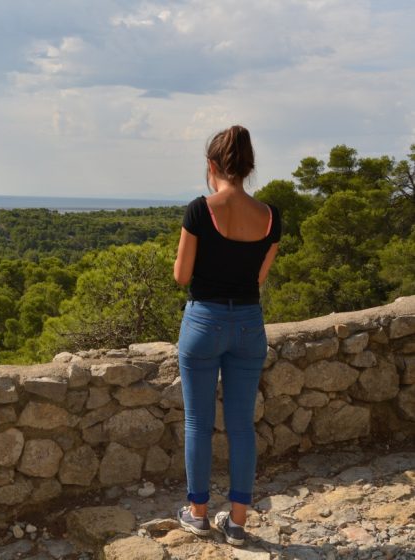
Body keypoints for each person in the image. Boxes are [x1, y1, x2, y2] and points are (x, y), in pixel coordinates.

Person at [172, 125, 281, 546]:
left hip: (203, 323)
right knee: (241, 426)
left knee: (198, 422)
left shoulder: (200, 210)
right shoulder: (271, 216)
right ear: (249, 167)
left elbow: (182, 277)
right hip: (250, 324)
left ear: (211, 165)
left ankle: (198, 513)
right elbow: (258, 277)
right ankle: (236, 522)